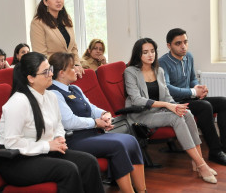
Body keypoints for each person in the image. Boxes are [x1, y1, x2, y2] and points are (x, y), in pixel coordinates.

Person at [0, 52, 103, 193]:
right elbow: (12, 143)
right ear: (31, 78)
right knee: (68, 170)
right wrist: (47, 145)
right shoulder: (18, 102)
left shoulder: (51, 96)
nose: (51, 74)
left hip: (43, 153)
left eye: (50, 69)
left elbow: (58, 124)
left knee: (88, 162)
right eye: (45, 72)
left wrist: (59, 137)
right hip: (17, 162)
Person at [48, 52, 146, 193]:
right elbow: (69, 122)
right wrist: (95, 122)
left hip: (91, 134)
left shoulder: (74, 88)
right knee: (118, 145)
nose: (77, 69)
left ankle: (142, 191)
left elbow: (91, 108)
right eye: (73, 67)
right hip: (74, 139)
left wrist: (104, 114)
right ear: (62, 73)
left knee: (131, 140)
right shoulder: (54, 93)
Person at [125, 38, 217, 184]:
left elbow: (167, 96)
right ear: (138, 54)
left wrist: (176, 106)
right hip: (141, 115)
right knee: (176, 118)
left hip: (159, 111)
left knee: (186, 113)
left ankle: (197, 162)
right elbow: (136, 99)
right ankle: (201, 165)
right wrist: (168, 106)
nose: (150, 55)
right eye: (145, 52)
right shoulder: (130, 71)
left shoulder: (159, 70)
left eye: (152, 51)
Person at [159, 28, 226, 166]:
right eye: (178, 43)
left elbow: (192, 79)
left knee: (223, 102)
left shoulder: (189, 56)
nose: (183, 46)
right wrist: (193, 92)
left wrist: (198, 88)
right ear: (169, 45)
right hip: (175, 103)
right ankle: (215, 151)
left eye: (185, 42)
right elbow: (167, 89)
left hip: (190, 99)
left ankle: (224, 148)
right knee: (205, 106)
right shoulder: (162, 62)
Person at [30, 0, 84, 77]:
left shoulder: (66, 18)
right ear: (45, 1)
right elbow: (41, 56)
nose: (59, 0)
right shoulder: (38, 23)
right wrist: (67, 67)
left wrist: (76, 64)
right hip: (52, 73)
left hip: (70, 71)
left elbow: (73, 47)